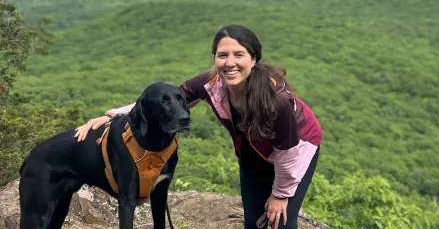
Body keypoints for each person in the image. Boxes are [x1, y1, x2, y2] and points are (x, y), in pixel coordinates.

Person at [74, 24, 323, 229]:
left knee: (279, 222)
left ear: (253, 59)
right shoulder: (211, 83)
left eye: (239, 55)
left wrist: (280, 195)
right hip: (253, 150)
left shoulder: (276, 101)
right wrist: (111, 116)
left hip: (296, 148)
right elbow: (165, 99)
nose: (230, 63)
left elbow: (288, 154)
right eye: (222, 55)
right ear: (215, 58)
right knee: (253, 220)